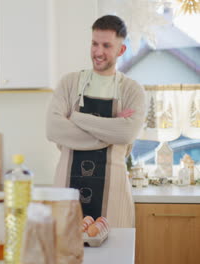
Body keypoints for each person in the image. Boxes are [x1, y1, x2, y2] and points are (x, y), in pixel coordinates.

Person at [46, 15, 145, 228]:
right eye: (94, 43)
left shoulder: (132, 90)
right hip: (66, 192)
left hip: (114, 195)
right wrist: (110, 130)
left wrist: (76, 118)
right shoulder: (69, 83)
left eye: (107, 46)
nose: (98, 52)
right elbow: (53, 129)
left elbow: (126, 134)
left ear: (121, 50)